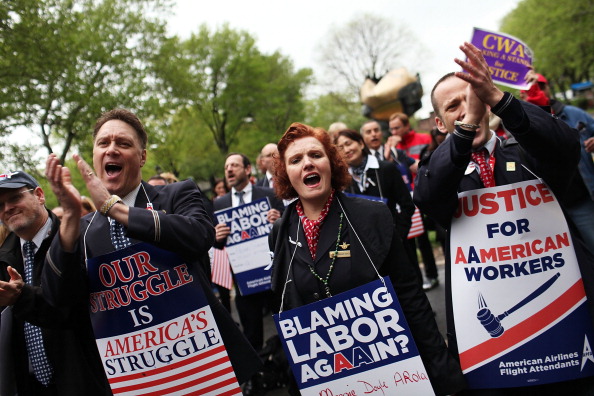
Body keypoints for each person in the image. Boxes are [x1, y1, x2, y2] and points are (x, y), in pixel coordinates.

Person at [415, 42, 594, 394]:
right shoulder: (436, 170)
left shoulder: (527, 151)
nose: (468, 109)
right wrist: (467, 127)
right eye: (455, 107)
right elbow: (429, 194)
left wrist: (497, 96)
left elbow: (565, 147)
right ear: (439, 123)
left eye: (473, 99)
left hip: (566, 319)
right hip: (491, 349)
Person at [42, 108, 261, 390]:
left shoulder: (177, 194)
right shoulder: (79, 230)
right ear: (94, 155)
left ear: (142, 156)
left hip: (205, 364)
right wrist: (70, 218)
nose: (112, 150)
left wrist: (115, 210)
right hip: (133, 378)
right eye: (103, 143)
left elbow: (198, 235)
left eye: (123, 143)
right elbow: (57, 297)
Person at [269, 122, 466, 396]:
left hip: (389, 372)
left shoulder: (372, 215)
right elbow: (286, 307)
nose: (307, 164)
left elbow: (409, 295)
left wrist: (440, 366)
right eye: (296, 159)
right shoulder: (281, 231)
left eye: (316, 155)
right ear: (285, 174)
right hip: (327, 378)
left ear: (332, 163)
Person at [0, 170, 108, 395]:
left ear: (39, 195)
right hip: (29, 385)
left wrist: (21, 297)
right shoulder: (3, 259)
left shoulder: (81, 239)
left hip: (85, 380)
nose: (7, 208)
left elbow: (70, 305)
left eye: (15, 198)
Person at [213, 152, 284, 351]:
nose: (229, 170)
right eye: (227, 167)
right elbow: (217, 244)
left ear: (247, 169)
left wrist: (278, 220)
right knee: (252, 334)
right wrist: (217, 237)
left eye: (234, 165)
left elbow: (288, 228)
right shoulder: (220, 204)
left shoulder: (269, 195)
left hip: (273, 275)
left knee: (285, 324)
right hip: (244, 280)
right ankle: (258, 378)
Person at [523, 72, 594, 254]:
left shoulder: (573, 114)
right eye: (530, 87)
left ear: (547, 88)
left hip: (582, 200)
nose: (535, 89)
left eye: (539, 85)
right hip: (551, 208)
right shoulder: (519, 127)